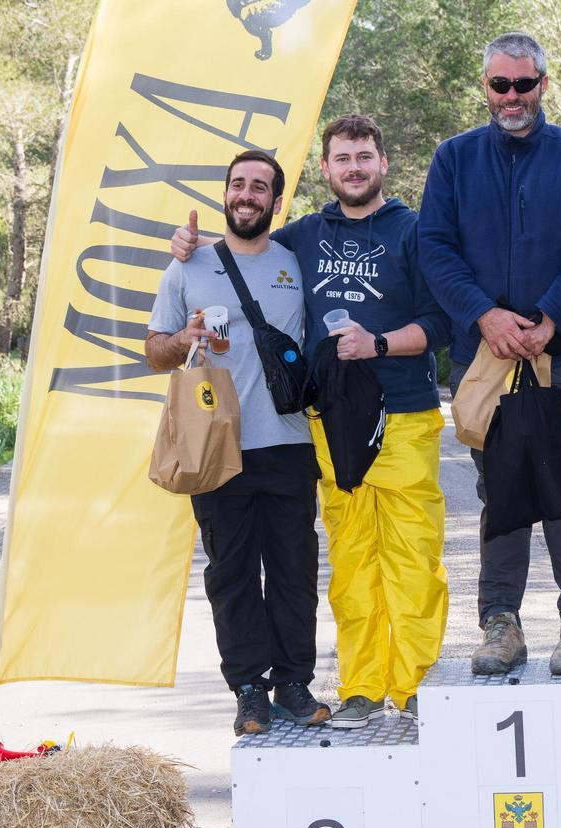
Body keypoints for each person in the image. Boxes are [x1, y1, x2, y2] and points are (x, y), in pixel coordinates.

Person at [171, 116, 452, 729]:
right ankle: (361, 686)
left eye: (364, 156)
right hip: (328, 422)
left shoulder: (417, 231)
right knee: (351, 561)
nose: (354, 167)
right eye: (342, 158)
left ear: (383, 164)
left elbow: (441, 325)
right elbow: (242, 245)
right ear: (325, 170)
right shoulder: (301, 237)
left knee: (411, 556)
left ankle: (416, 686)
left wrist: (377, 344)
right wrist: (186, 247)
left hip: (403, 413)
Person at [419, 31, 561, 675]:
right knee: (500, 489)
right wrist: (485, 314)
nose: (512, 96)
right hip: (486, 358)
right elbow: (434, 248)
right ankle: (500, 623)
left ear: (542, 83)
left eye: (523, 83)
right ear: (485, 87)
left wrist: (547, 317)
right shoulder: (453, 158)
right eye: (499, 84)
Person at [147, 150, 329, 736]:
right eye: (238, 185)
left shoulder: (296, 263)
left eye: (260, 188)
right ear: (225, 194)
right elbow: (153, 352)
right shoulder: (187, 266)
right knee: (231, 572)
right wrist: (185, 338)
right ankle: (249, 688)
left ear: (276, 202)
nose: (247, 195)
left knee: (294, 568)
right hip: (215, 443)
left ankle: (294, 683)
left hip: (287, 440)